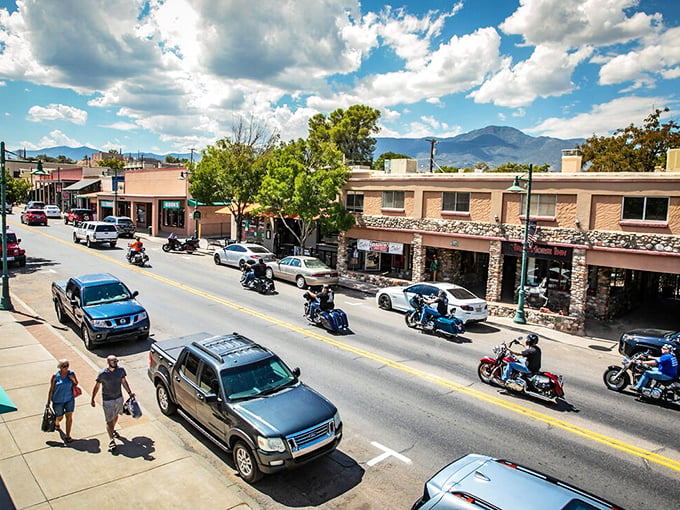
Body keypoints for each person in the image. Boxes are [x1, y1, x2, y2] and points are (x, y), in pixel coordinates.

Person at [91, 355, 135, 452]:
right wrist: (93, 398)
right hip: (108, 400)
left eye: (116, 361)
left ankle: (112, 430)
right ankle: (111, 440)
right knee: (109, 420)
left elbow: (124, 382)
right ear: (108, 362)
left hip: (118, 398)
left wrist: (129, 392)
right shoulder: (102, 374)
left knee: (116, 416)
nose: (116, 363)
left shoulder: (121, 371)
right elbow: (97, 386)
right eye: (113, 361)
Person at [46, 358, 78, 443]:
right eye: (64, 366)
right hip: (57, 400)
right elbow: (51, 389)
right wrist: (48, 401)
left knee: (69, 417)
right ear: (60, 367)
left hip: (69, 399)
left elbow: (76, 383)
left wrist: (72, 379)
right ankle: (57, 423)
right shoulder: (55, 376)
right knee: (60, 417)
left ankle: (68, 435)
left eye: (67, 365)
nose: (66, 367)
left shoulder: (71, 373)